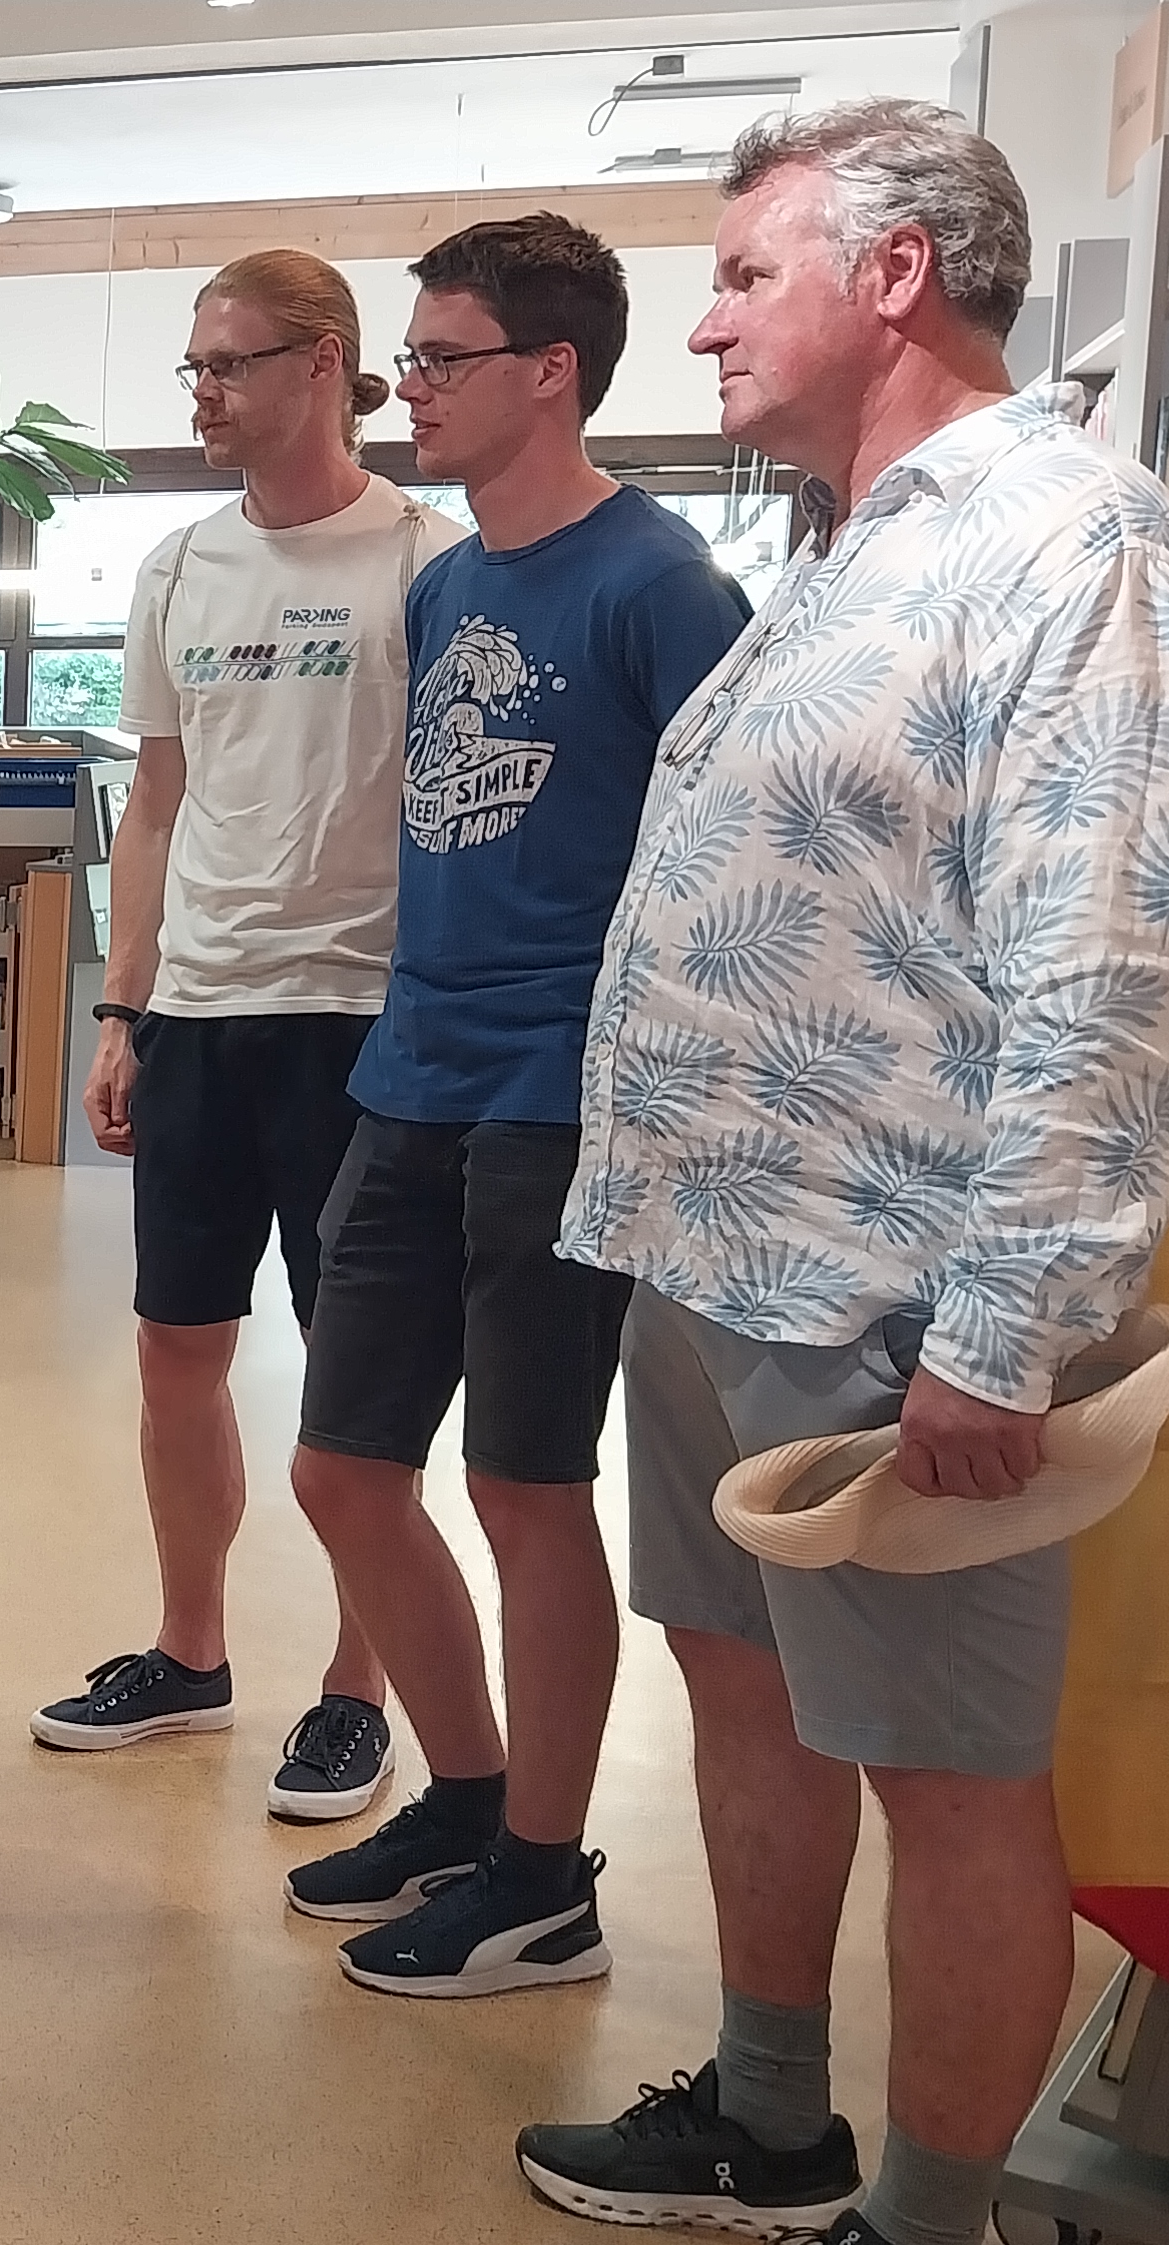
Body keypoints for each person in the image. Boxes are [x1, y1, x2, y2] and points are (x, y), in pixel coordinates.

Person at [512, 103, 1169, 2245]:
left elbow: (1113, 969)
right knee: (742, 1687)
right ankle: (766, 2110)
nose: (704, 322)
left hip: (896, 1293)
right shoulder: (847, 542)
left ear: (898, 273)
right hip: (714, 1252)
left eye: (745, 272)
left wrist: (1005, 1335)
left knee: (946, 1775)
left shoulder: (1073, 540)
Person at [279, 216, 751, 1997]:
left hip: (565, 1096)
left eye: (438, 357)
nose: (405, 387)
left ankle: (546, 1879)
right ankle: (470, 1800)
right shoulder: (450, 583)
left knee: (526, 1487)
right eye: (408, 356)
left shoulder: (663, 586)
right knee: (342, 1470)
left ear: (550, 372)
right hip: (411, 1074)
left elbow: (726, 861)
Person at [40, 251, 467, 1825]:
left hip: (361, 1021)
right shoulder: (179, 569)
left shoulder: (426, 559)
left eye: (229, 364)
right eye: (196, 367)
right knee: (177, 1351)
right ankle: (191, 1650)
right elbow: (154, 804)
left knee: (356, 1384)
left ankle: (358, 1688)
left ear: (324, 363)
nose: (204, 394)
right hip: (201, 1017)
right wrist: (121, 1007)